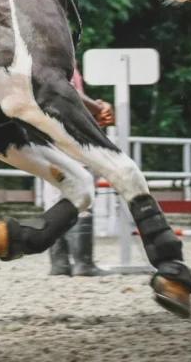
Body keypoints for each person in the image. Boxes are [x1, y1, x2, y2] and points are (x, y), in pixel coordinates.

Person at [46, 63, 115, 277]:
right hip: (70, 134)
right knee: (82, 193)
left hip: (48, 134)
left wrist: (94, 111)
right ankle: (83, 263)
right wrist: (99, 109)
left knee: (55, 196)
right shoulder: (59, 58)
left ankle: (60, 263)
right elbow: (68, 94)